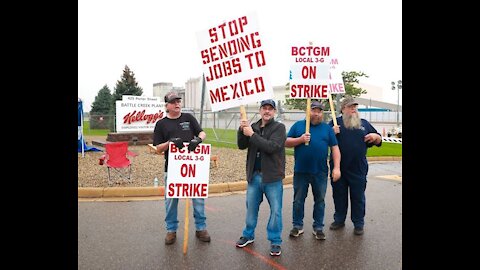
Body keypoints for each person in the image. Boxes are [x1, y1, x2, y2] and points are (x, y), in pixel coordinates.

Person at [153, 91, 210, 245]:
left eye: (178, 101)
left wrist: (198, 140)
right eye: (173, 102)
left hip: (193, 168)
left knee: (198, 199)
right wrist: (170, 142)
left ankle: (201, 228)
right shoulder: (161, 124)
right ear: (167, 106)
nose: (177, 104)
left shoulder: (188, 118)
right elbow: (158, 148)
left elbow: (202, 132)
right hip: (172, 169)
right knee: (171, 201)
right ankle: (171, 230)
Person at [235, 99, 286, 256]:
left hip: (272, 177)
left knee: (276, 210)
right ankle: (248, 234)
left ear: (275, 112)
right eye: (264, 108)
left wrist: (252, 134)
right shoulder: (254, 126)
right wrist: (241, 129)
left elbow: (272, 147)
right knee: (251, 208)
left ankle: (275, 241)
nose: (267, 111)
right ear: (260, 110)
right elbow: (242, 145)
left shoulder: (279, 128)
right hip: (255, 176)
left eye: (270, 109)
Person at [285, 101, 341, 240]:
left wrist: (337, 168)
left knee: (320, 200)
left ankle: (318, 227)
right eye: (314, 110)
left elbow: (335, 148)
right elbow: (285, 142)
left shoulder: (327, 129)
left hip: (320, 172)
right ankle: (297, 226)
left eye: (319, 111)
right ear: (308, 111)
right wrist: (300, 139)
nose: (316, 113)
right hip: (301, 171)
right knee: (298, 200)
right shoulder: (298, 126)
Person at [328, 96, 382, 235]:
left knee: (358, 197)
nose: (353, 109)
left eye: (355, 106)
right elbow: (324, 141)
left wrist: (376, 138)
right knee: (339, 196)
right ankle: (339, 219)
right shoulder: (334, 123)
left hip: (358, 168)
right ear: (343, 108)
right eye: (350, 106)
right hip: (339, 167)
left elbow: (378, 139)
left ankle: (358, 223)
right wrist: (331, 133)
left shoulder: (364, 123)